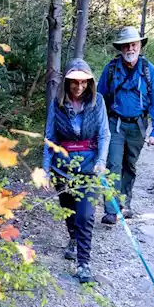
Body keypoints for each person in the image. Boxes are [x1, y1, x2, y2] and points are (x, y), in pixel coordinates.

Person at [43, 58, 110, 285]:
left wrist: (101, 161)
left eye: (83, 82)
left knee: (85, 214)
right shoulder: (57, 104)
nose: (79, 87)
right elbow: (50, 137)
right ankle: (73, 238)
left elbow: (104, 134)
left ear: (89, 83)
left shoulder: (98, 102)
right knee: (69, 211)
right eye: (74, 83)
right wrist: (45, 169)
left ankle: (83, 263)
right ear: (67, 82)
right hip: (62, 168)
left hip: (90, 168)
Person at [96, 25, 154, 225]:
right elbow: (100, 99)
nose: (130, 49)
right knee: (113, 165)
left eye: (133, 44)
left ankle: (124, 205)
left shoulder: (148, 70)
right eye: (126, 46)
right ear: (121, 48)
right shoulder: (110, 69)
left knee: (130, 166)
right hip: (114, 124)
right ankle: (111, 209)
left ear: (139, 46)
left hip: (138, 126)